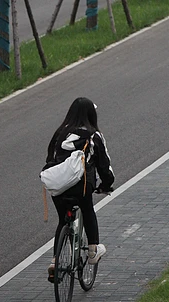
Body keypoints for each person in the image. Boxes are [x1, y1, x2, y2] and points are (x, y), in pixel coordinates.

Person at [42, 97, 115, 280]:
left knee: (62, 220)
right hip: (80, 186)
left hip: (57, 184)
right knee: (87, 209)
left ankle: (56, 261)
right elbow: (104, 166)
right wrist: (105, 185)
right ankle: (92, 250)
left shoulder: (59, 133)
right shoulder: (93, 135)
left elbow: (50, 158)